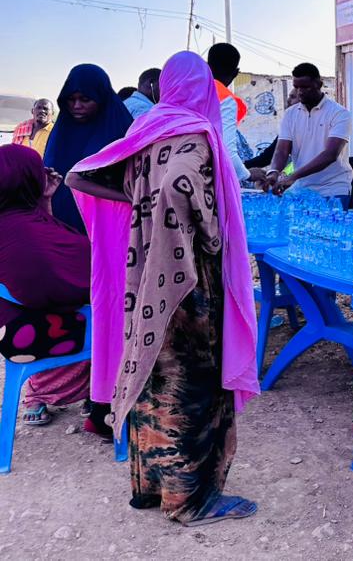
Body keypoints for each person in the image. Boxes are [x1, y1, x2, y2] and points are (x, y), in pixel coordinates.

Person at [66, 51, 259, 526]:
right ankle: (190, 500)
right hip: (189, 278)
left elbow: (87, 175)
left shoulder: (147, 131)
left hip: (144, 272)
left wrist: (145, 207)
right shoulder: (194, 134)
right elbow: (179, 185)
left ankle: (150, 486)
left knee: (153, 375)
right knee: (191, 386)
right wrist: (209, 232)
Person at [0, 145, 98, 431]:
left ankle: (83, 394)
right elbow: (50, 288)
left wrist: (44, 200)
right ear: (27, 178)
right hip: (30, 333)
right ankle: (101, 398)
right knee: (121, 317)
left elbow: (48, 250)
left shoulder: (16, 219)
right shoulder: (22, 232)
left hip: (14, 323)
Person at [43, 65, 133, 234]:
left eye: (85, 99)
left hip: (108, 223)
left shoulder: (122, 130)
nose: (77, 106)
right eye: (71, 99)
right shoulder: (61, 132)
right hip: (61, 223)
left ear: (101, 98)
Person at [266, 63, 352, 204]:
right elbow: (282, 150)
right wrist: (274, 172)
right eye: (296, 87)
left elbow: (330, 155)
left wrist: (293, 176)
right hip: (301, 189)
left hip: (333, 189)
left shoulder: (339, 113)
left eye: (305, 87)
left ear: (319, 84)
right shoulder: (290, 114)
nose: (300, 92)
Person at [206, 43, 264, 186]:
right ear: (236, 73)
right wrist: (248, 174)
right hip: (205, 176)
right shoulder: (225, 99)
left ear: (207, 65)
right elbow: (227, 151)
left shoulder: (188, 90)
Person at [243, 88, 300, 171]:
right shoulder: (290, 124)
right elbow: (269, 155)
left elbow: (268, 157)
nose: (288, 100)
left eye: (293, 97)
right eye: (289, 96)